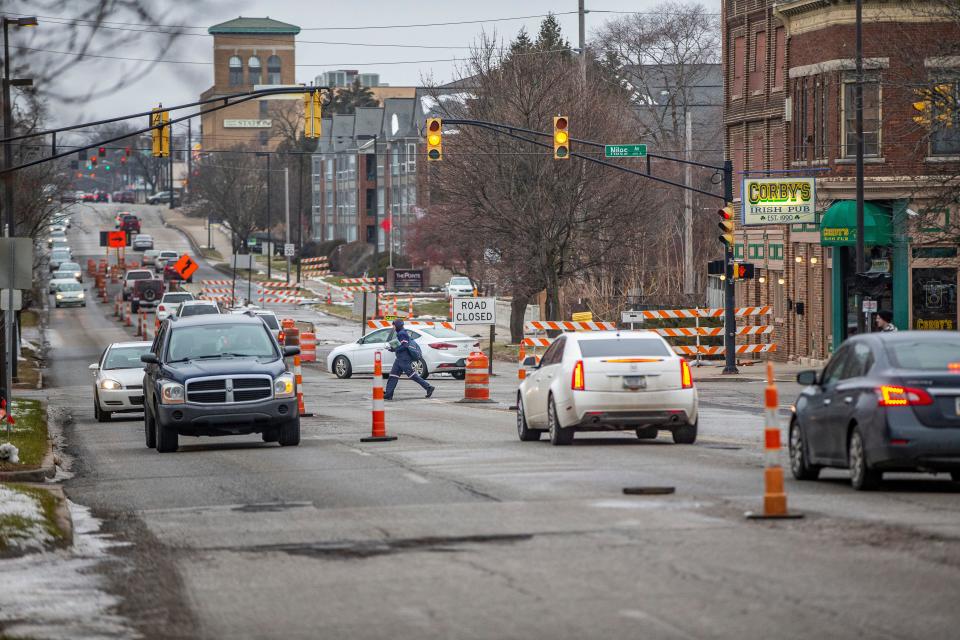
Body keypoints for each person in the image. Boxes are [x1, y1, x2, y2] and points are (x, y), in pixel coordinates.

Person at [383, 319, 435, 400]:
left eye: (394, 325)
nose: (393, 327)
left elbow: (405, 345)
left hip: (404, 358)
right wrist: (394, 349)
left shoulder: (402, 333)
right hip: (400, 358)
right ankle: (388, 394)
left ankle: (428, 387)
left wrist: (394, 349)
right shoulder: (402, 332)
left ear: (398, 325)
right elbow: (402, 345)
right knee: (393, 375)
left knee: (411, 375)